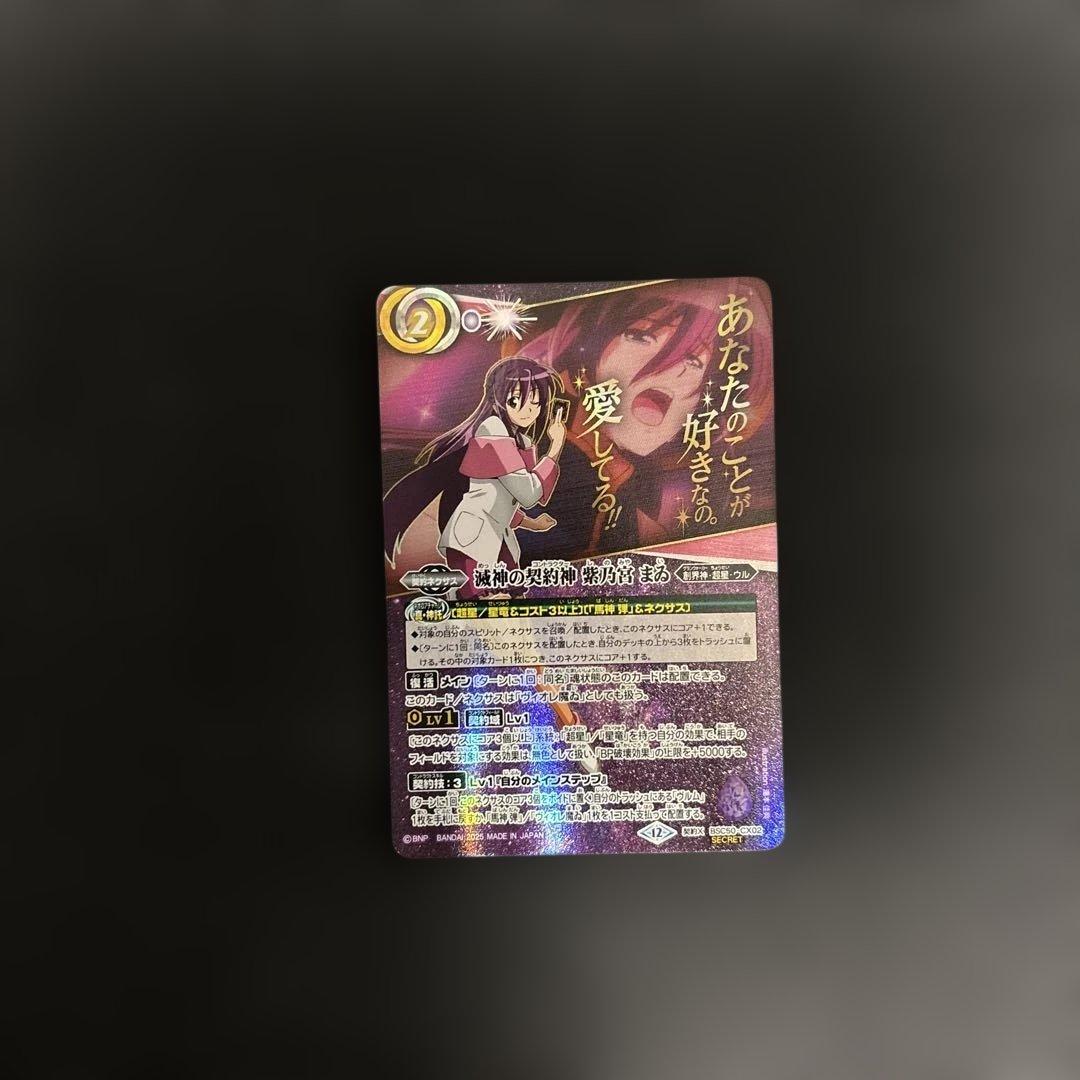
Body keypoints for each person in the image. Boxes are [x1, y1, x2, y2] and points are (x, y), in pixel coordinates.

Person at [382, 355, 565, 598]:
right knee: (478, 606)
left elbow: (501, 499)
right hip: (473, 542)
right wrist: (555, 448)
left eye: (536, 402)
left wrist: (532, 523)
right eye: (516, 400)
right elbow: (528, 493)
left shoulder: (521, 440)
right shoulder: (492, 430)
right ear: (498, 398)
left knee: (511, 601)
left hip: (497, 538)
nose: (528, 411)